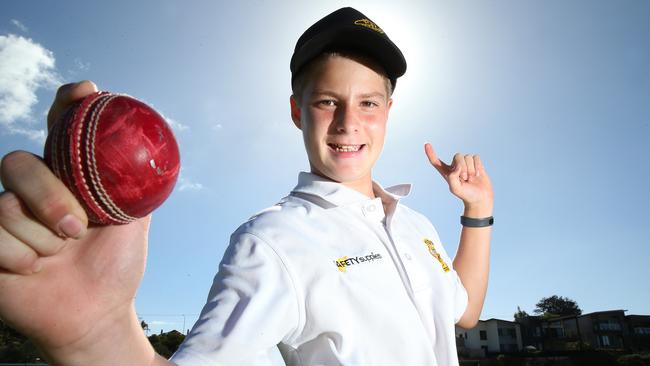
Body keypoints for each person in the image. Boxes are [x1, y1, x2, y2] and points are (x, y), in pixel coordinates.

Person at [0, 7, 492, 366]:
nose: (348, 124)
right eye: (326, 102)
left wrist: (477, 213)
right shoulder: (274, 240)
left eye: (367, 103)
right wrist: (96, 337)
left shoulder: (414, 224)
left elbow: (464, 311)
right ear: (296, 111)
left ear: (387, 112)